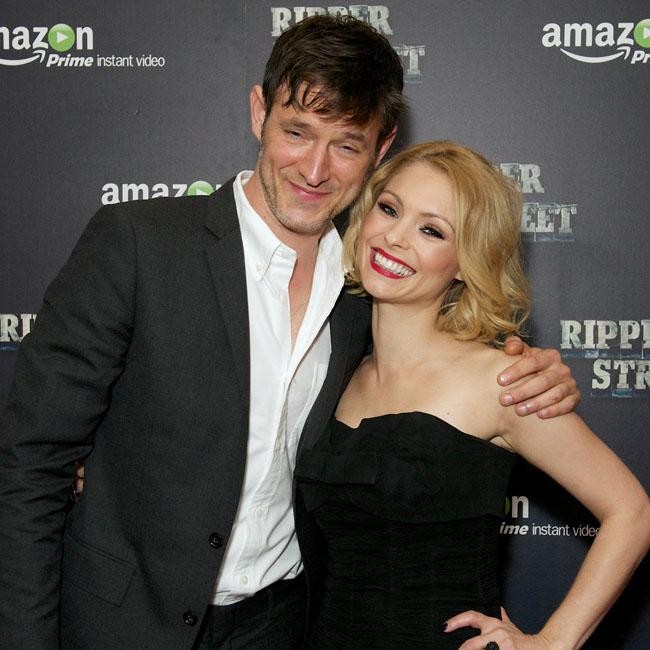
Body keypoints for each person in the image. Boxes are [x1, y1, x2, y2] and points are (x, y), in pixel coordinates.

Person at [0, 17, 579, 650]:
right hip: (126, 624)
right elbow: (31, 462)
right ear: (259, 112)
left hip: (288, 625)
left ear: (381, 148)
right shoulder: (138, 245)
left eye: (346, 145)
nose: (315, 168)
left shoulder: (369, 285)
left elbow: (445, 375)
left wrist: (535, 372)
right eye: (296, 132)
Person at [294, 140, 650, 649]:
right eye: (390, 209)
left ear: (466, 262)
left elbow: (632, 512)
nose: (394, 236)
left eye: (431, 230)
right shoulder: (337, 366)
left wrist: (553, 641)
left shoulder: (501, 381)